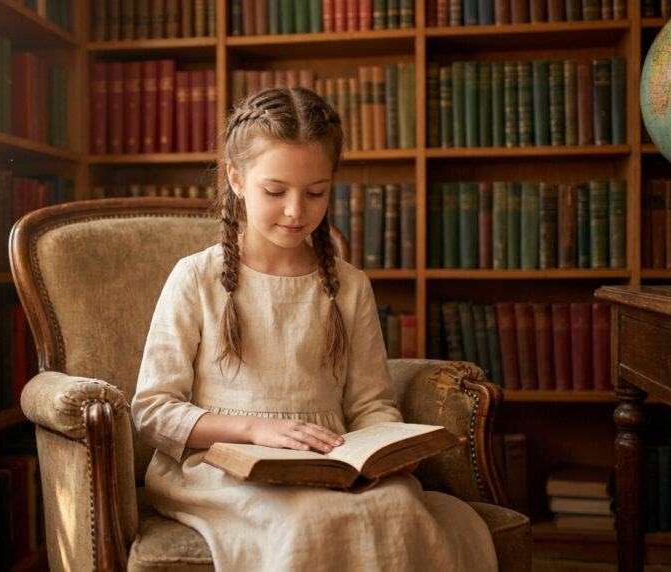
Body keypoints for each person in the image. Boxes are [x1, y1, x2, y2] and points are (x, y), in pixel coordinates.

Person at [131, 87, 498, 571]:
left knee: (399, 506)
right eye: (275, 190)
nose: (295, 211)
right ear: (236, 178)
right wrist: (255, 431)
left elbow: (370, 403)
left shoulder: (348, 286)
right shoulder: (196, 278)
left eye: (316, 192)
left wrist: (388, 449)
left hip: (329, 464)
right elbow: (154, 411)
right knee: (307, 521)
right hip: (224, 467)